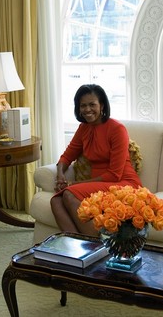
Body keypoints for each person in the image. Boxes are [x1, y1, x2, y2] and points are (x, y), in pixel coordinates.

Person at [51, 84, 142, 236]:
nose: (87, 109)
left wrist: (73, 184)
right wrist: (60, 175)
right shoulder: (83, 128)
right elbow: (67, 156)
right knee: (55, 200)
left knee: (68, 193)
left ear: (102, 105)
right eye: (83, 105)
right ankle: (75, 245)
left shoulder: (117, 129)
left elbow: (114, 175)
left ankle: (94, 245)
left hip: (122, 183)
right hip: (98, 185)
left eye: (92, 104)